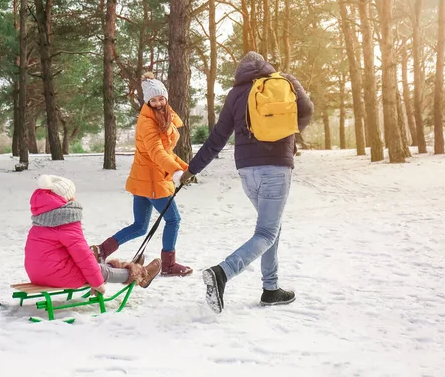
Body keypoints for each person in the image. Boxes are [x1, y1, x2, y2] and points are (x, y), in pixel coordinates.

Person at [180, 52, 314, 312]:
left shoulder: (235, 94)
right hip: (276, 168)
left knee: (270, 227)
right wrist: (290, 134)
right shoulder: (284, 81)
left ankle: (271, 289)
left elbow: (217, 138)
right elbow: (307, 110)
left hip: (246, 171)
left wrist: (193, 169)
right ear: (266, 66)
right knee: (266, 231)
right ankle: (222, 273)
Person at [92, 72, 193, 277]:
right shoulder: (148, 122)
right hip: (153, 179)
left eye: (160, 98)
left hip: (144, 179)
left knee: (139, 226)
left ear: (166, 97)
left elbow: (167, 150)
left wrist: (186, 167)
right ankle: (168, 265)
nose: (157, 103)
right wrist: (175, 170)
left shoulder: (164, 117)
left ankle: (101, 251)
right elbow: (157, 152)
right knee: (173, 220)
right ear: (147, 101)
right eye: (153, 100)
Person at [24, 174, 162, 294]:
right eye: (72, 194)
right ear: (66, 199)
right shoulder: (65, 221)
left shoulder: (41, 219)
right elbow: (82, 256)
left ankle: (127, 267)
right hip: (55, 275)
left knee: (95, 267)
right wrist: (97, 283)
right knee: (100, 271)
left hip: (36, 273)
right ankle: (142, 275)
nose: (75, 197)